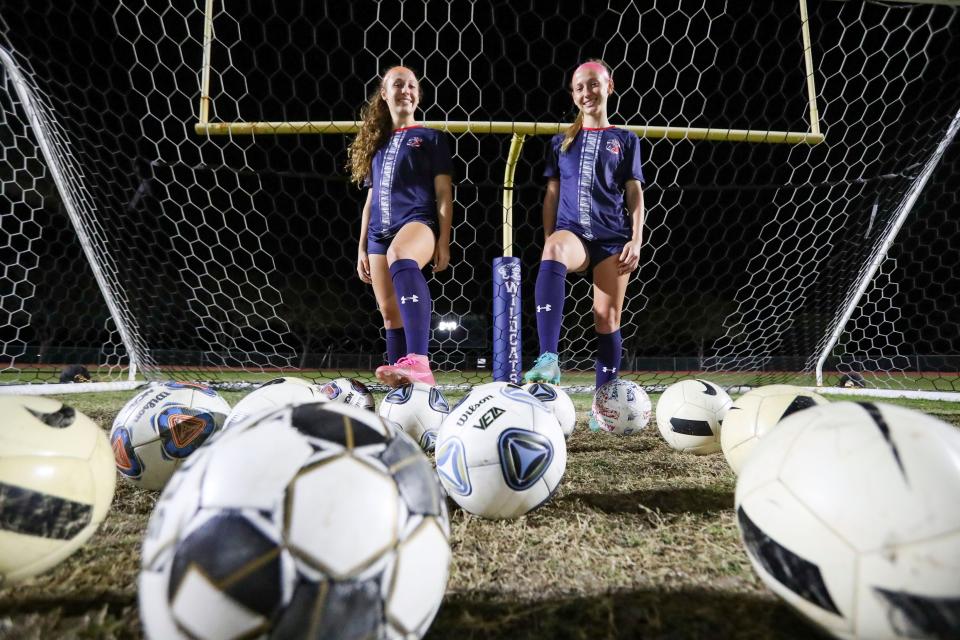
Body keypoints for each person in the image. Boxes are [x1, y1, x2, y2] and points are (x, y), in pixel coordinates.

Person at [523, 60, 645, 424]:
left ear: (609, 86)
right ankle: (548, 360)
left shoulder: (625, 139)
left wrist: (636, 240)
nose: (586, 92)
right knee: (555, 249)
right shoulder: (561, 142)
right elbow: (551, 195)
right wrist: (550, 239)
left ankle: (603, 406)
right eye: (579, 87)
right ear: (573, 96)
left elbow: (635, 193)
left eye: (593, 84)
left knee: (606, 317)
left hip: (612, 240)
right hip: (572, 234)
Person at [347, 66, 454, 387]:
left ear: (418, 95)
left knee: (402, 255)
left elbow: (444, 193)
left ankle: (420, 362)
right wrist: (362, 246)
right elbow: (370, 199)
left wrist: (444, 241)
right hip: (379, 234)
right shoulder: (376, 145)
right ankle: (403, 388)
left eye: (411, 86)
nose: (406, 90)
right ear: (384, 94)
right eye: (398, 84)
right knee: (389, 313)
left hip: (417, 222)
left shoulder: (430, 138)